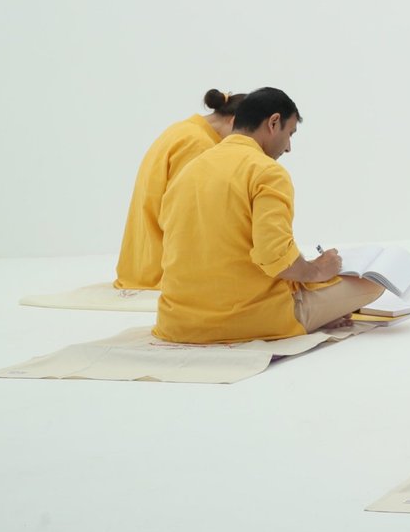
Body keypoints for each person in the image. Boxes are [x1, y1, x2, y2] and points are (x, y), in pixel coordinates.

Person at [153, 88, 380, 343]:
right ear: (274, 123)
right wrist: (318, 269)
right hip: (248, 319)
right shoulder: (266, 172)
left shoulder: (190, 169)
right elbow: (274, 257)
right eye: (290, 133)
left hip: (178, 324)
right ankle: (311, 318)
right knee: (374, 283)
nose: (289, 147)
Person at [113, 89, 246, 290]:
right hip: (164, 269)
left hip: (141, 263)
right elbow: (186, 217)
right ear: (233, 121)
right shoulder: (200, 144)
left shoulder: (183, 129)